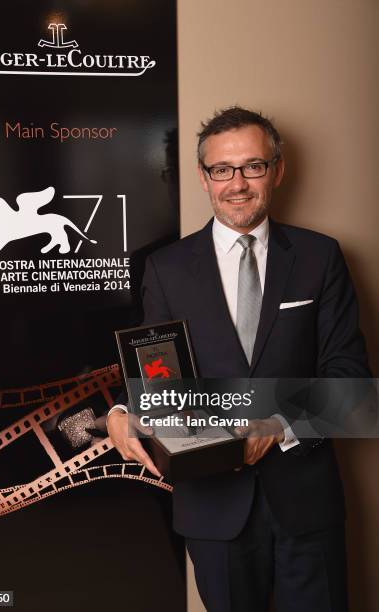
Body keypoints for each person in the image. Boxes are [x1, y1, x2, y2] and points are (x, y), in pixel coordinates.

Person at [107, 106, 371, 612]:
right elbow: (157, 369)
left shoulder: (321, 257)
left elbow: (351, 381)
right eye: (221, 170)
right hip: (212, 505)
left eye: (253, 166)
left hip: (307, 504)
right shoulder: (165, 268)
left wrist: (278, 423)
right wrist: (123, 411)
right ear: (204, 179)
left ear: (277, 170)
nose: (237, 184)